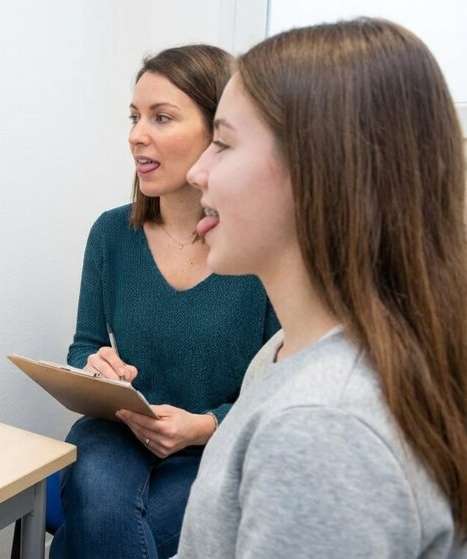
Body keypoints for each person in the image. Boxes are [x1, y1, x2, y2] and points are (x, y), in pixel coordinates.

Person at [178, 18, 467, 557]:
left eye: (221, 143)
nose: (197, 172)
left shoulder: (321, 426)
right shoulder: (288, 354)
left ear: (318, 167)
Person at [49, 45, 279, 559]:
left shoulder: (258, 247)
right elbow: (83, 345)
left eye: (162, 117)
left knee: (88, 537)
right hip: (117, 430)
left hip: (213, 445)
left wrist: (205, 425)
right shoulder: (110, 233)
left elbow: (276, 389)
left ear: (219, 132)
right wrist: (93, 367)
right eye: (134, 117)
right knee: (101, 512)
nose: (136, 134)